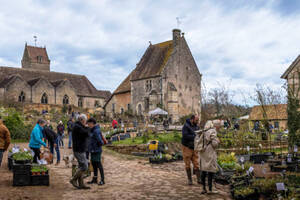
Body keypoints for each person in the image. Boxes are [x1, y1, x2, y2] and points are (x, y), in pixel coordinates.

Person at [197, 120, 220, 194]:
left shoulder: (203, 131)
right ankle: (210, 189)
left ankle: (204, 188)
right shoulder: (212, 131)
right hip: (209, 152)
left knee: (203, 170)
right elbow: (214, 144)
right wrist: (217, 141)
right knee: (210, 170)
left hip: (203, 152)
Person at [70, 114, 90, 190]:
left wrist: (85, 127)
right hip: (79, 150)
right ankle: (73, 179)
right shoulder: (77, 127)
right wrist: (88, 128)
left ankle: (81, 184)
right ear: (82, 120)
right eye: (85, 121)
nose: (86, 122)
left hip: (81, 149)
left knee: (81, 166)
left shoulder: (79, 126)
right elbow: (86, 133)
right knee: (84, 166)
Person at [181, 115, 201, 185]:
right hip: (186, 147)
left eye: (198, 120)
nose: (197, 122)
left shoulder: (196, 126)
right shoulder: (186, 126)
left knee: (196, 163)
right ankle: (190, 179)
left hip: (194, 146)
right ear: (192, 119)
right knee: (187, 163)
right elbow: (185, 136)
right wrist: (194, 136)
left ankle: (199, 179)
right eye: (196, 120)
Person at [86, 118, 105, 185]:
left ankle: (102, 180)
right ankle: (95, 179)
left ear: (92, 123)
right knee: (94, 165)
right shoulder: (93, 130)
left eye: (88, 124)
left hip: (96, 150)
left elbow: (100, 141)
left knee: (98, 164)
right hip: (93, 150)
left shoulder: (96, 131)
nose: (88, 125)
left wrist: (96, 147)